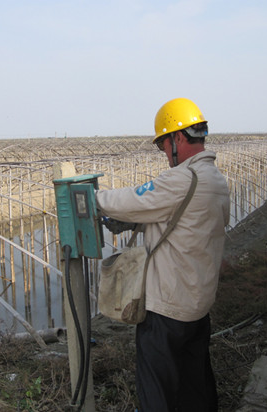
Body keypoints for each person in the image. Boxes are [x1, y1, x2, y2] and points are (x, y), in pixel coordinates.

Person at [96, 97, 230, 411]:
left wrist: (93, 197)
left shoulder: (183, 178)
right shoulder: (216, 179)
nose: (164, 153)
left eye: (162, 144)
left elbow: (132, 200)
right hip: (198, 305)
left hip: (166, 310)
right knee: (195, 386)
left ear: (178, 138)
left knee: (157, 391)